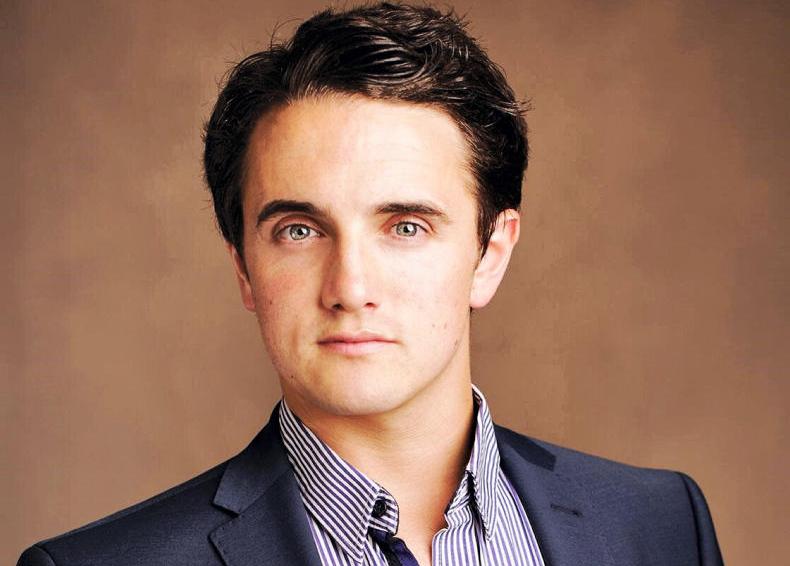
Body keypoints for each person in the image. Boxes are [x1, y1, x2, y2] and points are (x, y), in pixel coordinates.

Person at [18, 2, 723, 565]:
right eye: (299, 230)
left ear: (490, 254)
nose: (350, 287)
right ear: (243, 268)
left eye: (406, 226)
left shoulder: (661, 526)